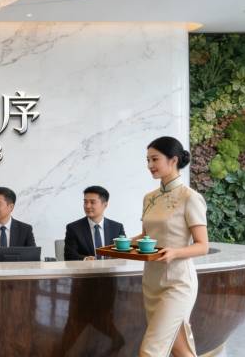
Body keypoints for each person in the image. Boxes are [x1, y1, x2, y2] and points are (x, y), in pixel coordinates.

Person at [132, 136, 209, 357]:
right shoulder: (149, 198)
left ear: (173, 160)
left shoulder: (190, 197)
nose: (150, 165)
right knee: (180, 348)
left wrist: (175, 252)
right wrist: (120, 245)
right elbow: (147, 237)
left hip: (178, 283)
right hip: (151, 282)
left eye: (155, 159)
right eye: (148, 160)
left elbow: (202, 246)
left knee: (150, 350)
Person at [64, 186, 126, 260]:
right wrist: (85, 259)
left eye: (92, 202)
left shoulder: (117, 228)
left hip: (112, 267)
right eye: (85, 202)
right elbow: (69, 255)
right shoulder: (73, 228)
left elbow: (124, 252)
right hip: (86, 267)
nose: (87, 206)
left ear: (105, 205)